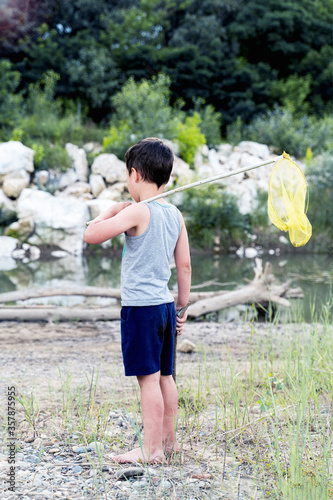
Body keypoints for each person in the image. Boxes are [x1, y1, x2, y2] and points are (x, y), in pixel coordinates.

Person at [84, 137, 191, 464]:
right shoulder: (175, 215)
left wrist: (112, 210)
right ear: (166, 178)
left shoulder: (136, 212)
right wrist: (182, 308)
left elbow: (91, 235)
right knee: (165, 377)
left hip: (141, 311)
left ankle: (152, 449)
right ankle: (168, 443)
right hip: (163, 307)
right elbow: (184, 266)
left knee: (148, 381)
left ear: (134, 175)